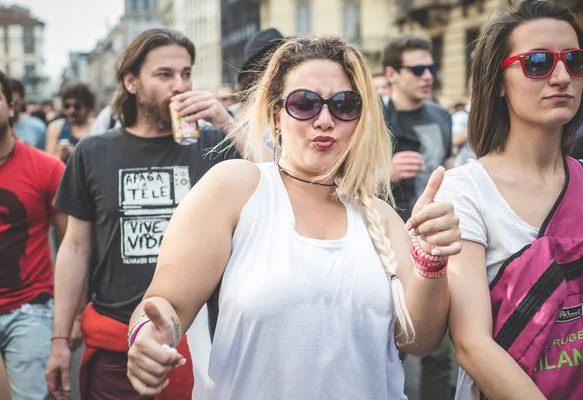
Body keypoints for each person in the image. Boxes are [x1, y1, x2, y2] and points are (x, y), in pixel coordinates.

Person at [126, 35, 462, 399]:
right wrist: (148, 335)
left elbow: (419, 340)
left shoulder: (380, 219)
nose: (324, 120)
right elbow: (170, 304)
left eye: (344, 105)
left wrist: (431, 259)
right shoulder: (236, 189)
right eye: (304, 104)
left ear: (360, 118)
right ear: (276, 115)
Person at [44, 28, 247, 400]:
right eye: (165, 75)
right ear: (131, 81)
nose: (180, 85)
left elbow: (285, 177)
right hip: (115, 343)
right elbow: (74, 249)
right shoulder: (93, 151)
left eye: (186, 74)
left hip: (199, 345)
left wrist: (228, 124)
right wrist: (60, 338)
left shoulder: (214, 145)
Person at [434, 1, 583, 399]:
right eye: (538, 62)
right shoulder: (465, 190)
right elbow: (472, 346)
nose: (562, 76)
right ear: (497, 81)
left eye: (575, 60)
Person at [382, 33, 455, 400]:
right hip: (384, 245)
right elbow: (343, 178)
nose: (428, 75)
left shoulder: (442, 115)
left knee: (439, 349)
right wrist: (384, 171)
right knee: (386, 345)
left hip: (433, 243)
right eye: (418, 68)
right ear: (392, 73)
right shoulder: (373, 118)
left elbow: (448, 170)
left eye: (432, 67)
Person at [0, 69, 68, 399]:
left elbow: (73, 244)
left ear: (11, 106)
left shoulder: (47, 167)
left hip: (29, 309)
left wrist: (73, 315)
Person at [45, 83, 95, 162]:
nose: (72, 110)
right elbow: (48, 164)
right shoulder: (55, 128)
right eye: (67, 106)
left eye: (77, 106)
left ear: (88, 107)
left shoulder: (97, 127)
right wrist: (58, 156)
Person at [8, 79, 46, 150]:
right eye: (8, 103)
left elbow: (43, 157)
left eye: (15, 103)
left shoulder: (37, 126)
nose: (11, 108)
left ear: (22, 99)